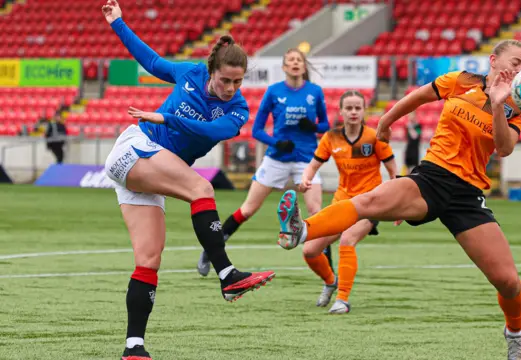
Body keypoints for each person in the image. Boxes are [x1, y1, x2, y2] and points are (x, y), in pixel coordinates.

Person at [276, 40, 521, 360]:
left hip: (467, 195)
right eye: (515, 61)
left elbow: (504, 149)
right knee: (371, 201)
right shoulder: (459, 81)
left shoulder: (517, 104)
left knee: (508, 282)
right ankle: (301, 230)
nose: (519, 70)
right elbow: (414, 99)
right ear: (493, 60)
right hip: (430, 178)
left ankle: (514, 335)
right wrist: (386, 124)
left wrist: (499, 104)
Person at [101, 1, 274, 359]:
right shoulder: (191, 73)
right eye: (225, 80)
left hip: (150, 171)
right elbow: (151, 62)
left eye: (238, 81)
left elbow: (210, 129)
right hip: (135, 148)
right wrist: (118, 22)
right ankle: (227, 274)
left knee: (149, 259)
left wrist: (167, 119)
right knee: (201, 188)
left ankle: (134, 347)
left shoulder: (237, 110)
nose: (230, 87)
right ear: (211, 71)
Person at [196, 48, 332, 277]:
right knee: (248, 209)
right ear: (284, 67)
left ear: (304, 65)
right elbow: (257, 130)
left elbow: (325, 125)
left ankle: (329, 271)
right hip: (276, 158)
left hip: (306, 159)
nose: (295, 63)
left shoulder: (315, 92)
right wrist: (276, 143)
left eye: (299, 60)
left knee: (316, 212)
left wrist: (314, 127)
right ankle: (211, 249)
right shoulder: (274, 92)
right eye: (291, 60)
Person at [292, 90, 396, 314]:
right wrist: (306, 179)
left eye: (358, 107)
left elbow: (393, 171)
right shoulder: (331, 137)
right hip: (342, 202)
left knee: (347, 239)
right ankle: (330, 281)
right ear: (341, 112)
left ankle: (342, 300)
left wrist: (397, 204)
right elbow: (313, 165)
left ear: (364, 110)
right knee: (309, 250)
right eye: (348, 108)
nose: (353, 112)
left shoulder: (374, 137)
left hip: (370, 203)